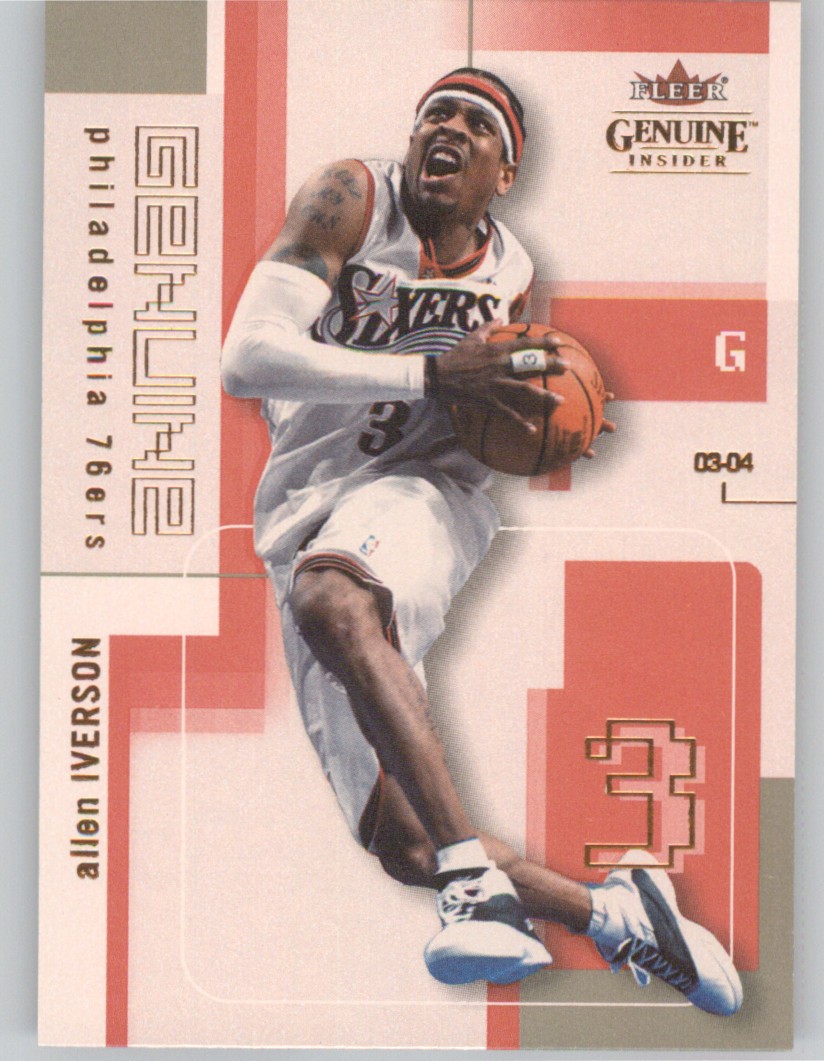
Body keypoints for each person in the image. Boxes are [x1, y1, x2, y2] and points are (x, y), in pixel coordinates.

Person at [222, 69, 742, 1014]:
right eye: (435, 114)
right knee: (401, 841)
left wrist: (554, 418)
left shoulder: (512, 273)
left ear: (505, 174)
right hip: (305, 507)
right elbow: (244, 357)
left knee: (332, 596)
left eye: (476, 123)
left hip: (426, 495)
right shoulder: (352, 196)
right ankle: (620, 911)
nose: (448, 129)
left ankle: (472, 880)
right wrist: (431, 375)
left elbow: (510, 396)